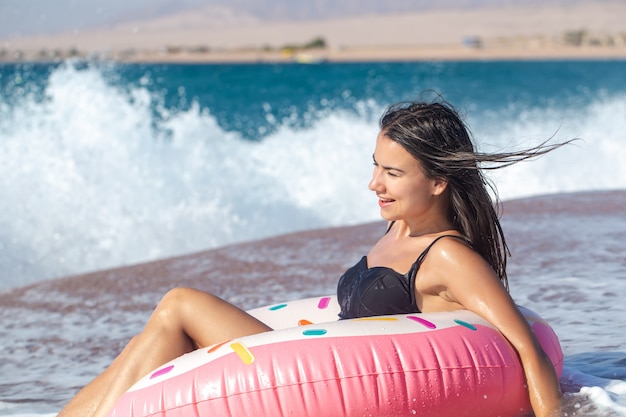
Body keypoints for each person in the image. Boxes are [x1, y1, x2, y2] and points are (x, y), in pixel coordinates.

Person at [58, 98, 567, 417]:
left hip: (344, 380)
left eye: (393, 173)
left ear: (437, 181)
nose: (374, 184)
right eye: (375, 167)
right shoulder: (399, 228)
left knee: (178, 305)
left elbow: (527, 349)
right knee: (156, 332)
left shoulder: (448, 255)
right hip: (312, 358)